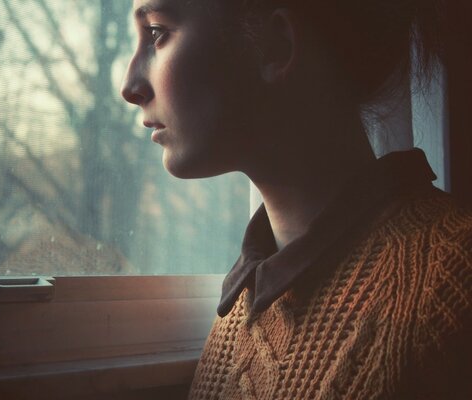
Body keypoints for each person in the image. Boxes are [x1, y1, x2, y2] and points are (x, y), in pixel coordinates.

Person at [121, 0, 472, 398]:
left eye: (156, 33)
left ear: (276, 45)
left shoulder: (452, 284)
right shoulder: (232, 327)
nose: (129, 85)